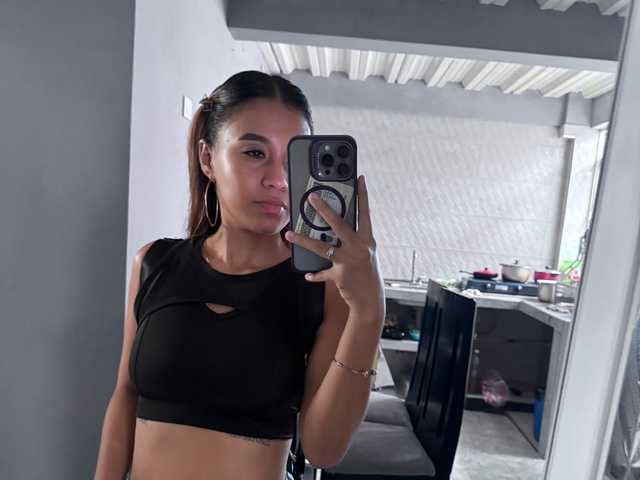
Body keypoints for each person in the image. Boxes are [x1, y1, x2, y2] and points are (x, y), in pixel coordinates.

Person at [94, 70, 385, 480]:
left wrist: (369, 312)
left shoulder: (322, 287)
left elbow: (324, 449)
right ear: (207, 158)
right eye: (254, 153)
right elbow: (126, 397)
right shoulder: (154, 263)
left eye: (292, 161)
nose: (278, 180)